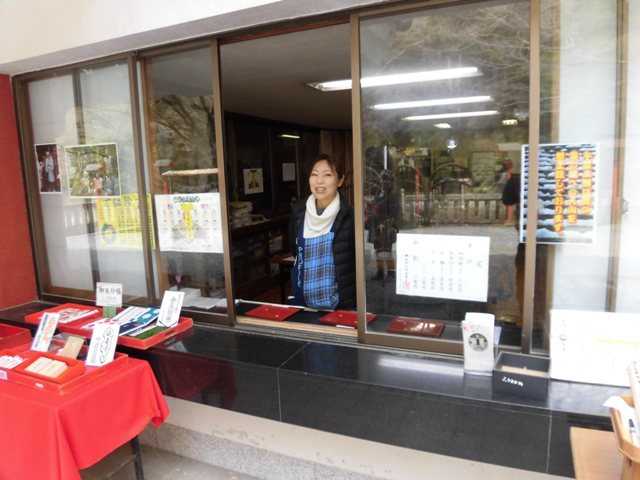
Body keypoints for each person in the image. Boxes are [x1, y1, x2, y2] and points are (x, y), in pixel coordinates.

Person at [289, 154, 355, 310]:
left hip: (340, 307)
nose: (319, 181)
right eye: (314, 174)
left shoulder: (349, 216)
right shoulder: (298, 213)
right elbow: (294, 250)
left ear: (340, 180)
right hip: (303, 304)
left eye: (327, 175)